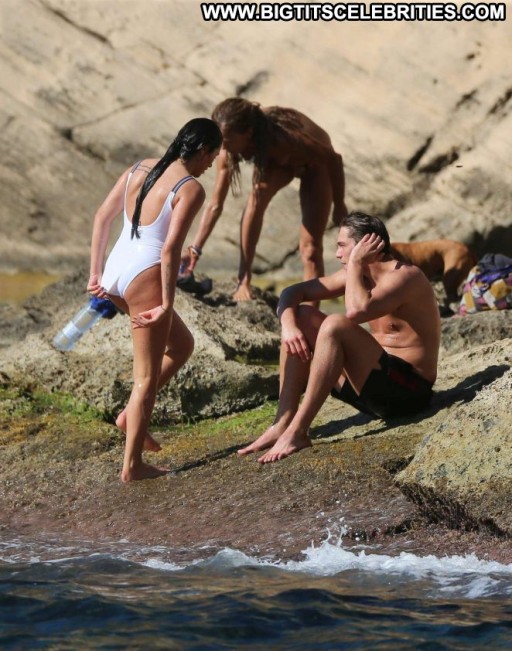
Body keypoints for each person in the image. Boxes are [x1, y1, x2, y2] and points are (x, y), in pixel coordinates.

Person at [238, 211, 441, 463]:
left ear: (365, 246)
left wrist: (354, 263)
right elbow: (292, 292)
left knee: (335, 323)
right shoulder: (357, 275)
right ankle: (282, 423)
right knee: (302, 315)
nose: (337, 254)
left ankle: (298, 431)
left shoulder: (405, 276)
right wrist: (288, 326)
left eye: (342, 246)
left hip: (408, 392)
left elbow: (355, 312)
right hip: (372, 386)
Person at [87, 118, 222, 482]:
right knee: (145, 379)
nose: (211, 166)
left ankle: (129, 416)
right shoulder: (190, 188)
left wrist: (95, 274)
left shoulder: (140, 167)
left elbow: (102, 217)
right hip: (143, 276)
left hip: (115, 272)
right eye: (213, 158)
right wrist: (166, 303)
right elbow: (169, 251)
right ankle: (132, 465)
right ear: (204, 151)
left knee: (182, 345)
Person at [180, 97, 348, 301]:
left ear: (248, 133)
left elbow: (334, 159)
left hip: (313, 165)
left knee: (310, 248)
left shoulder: (284, 137)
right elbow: (215, 204)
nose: (221, 146)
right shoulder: (225, 147)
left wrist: (339, 205)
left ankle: (311, 312)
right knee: (255, 201)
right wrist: (195, 249)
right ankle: (244, 279)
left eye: (227, 141)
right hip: (276, 163)